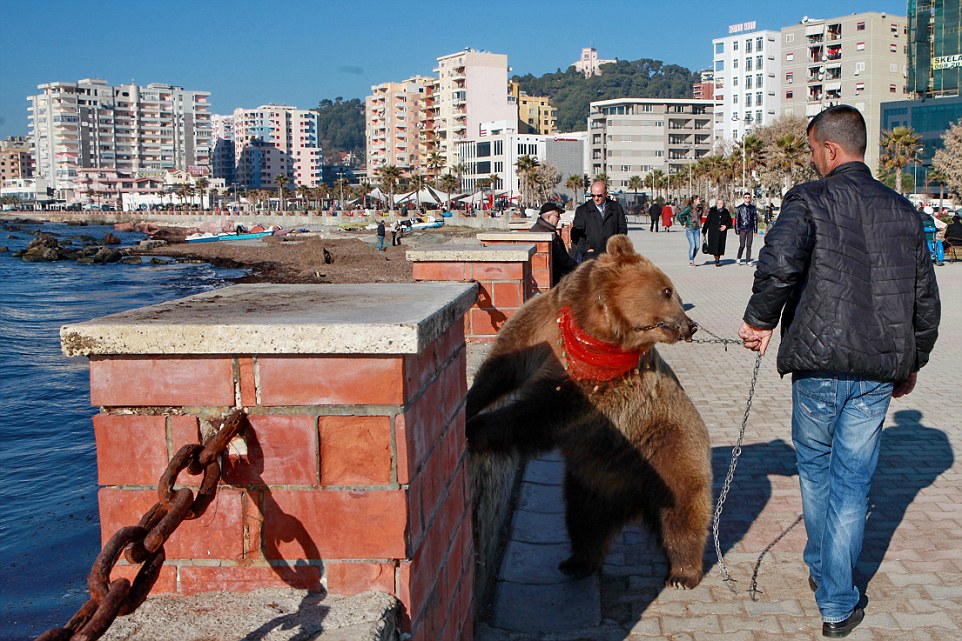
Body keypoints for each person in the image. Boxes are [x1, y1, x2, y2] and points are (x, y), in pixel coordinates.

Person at [738, 105, 941, 639]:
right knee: (853, 486)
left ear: (829, 150)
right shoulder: (903, 211)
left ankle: (831, 590)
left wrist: (758, 320)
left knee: (818, 473)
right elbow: (926, 298)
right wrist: (912, 360)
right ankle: (834, 589)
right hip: (876, 369)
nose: (811, 159)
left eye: (810, 150)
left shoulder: (807, 198)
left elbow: (779, 263)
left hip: (818, 365)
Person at [571, 180, 628, 260]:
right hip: (591, 256)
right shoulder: (582, 210)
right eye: (593, 195)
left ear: (606, 194)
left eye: (599, 195)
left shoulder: (616, 208)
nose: (596, 198)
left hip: (612, 255)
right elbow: (576, 233)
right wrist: (586, 249)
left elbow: (623, 229)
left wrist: (617, 247)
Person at [531, 202, 578, 285]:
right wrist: (577, 267)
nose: (559, 218)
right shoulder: (543, 233)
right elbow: (562, 259)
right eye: (557, 216)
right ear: (549, 217)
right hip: (555, 280)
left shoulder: (546, 229)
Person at [702, 199, 731, 266]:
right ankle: (716, 260)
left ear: (723, 204)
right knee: (715, 246)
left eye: (721, 203)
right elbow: (707, 221)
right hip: (713, 231)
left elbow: (729, 221)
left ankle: (718, 258)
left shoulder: (726, 211)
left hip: (722, 232)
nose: (719, 204)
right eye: (718, 203)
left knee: (720, 246)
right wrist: (704, 230)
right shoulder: (712, 211)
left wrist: (726, 226)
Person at [676, 195, 703, 267]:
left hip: (697, 228)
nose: (699, 200)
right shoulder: (689, 208)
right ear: (694, 200)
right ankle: (691, 261)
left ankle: (692, 257)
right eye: (698, 199)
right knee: (693, 245)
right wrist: (683, 224)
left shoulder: (700, 208)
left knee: (697, 246)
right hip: (690, 228)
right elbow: (679, 215)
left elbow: (700, 217)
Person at [734, 192, 758, 265]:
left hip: (750, 228)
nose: (747, 198)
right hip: (742, 228)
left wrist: (755, 230)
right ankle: (738, 258)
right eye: (746, 197)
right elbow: (737, 219)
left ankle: (748, 260)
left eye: (748, 197)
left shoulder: (753, 208)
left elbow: (755, 219)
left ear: (750, 198)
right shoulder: (739, 208)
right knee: (742, 245)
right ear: (744, 198)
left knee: (749, 245)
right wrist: (737, 229)